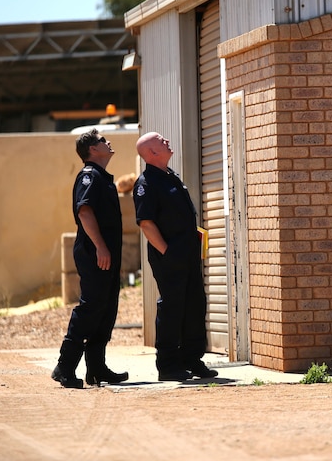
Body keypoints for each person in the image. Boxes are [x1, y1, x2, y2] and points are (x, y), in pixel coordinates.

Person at [133, 131, 217, 381]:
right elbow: (146, 222)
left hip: (188, 253)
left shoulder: (171, 176)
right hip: (169, 255)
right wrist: (167, 252)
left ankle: (192, 360)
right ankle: (168, 365)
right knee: (172, 308)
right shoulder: (147, 182)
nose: (166, 141)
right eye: (160, 140)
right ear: (151, 152)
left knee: (194, 304)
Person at [52, 129, 129, 388]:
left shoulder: (102, 177)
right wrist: (101, 247)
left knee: (106, 309)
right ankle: (64, 367)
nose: (108, 142)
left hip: (105, 253)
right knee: (91, 307)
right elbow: (84, 212)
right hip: (94, 252)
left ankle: (96, 368)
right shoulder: (89, 176)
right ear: (93, 150)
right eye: (102, 141)